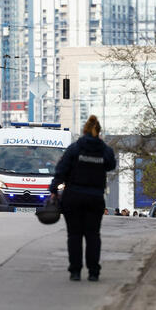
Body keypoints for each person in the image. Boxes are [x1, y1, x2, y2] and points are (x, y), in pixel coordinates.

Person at [50, 115, 116, 282]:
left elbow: (61, 170)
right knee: (93, 235)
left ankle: (75, 271)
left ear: (84, 131)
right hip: (95, 198)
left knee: (74, 235)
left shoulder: (74, 149)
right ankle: (93, 272)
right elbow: (111, 165)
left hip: (73, 197)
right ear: (98, 132)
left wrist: (53, 190)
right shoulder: (104, 150)